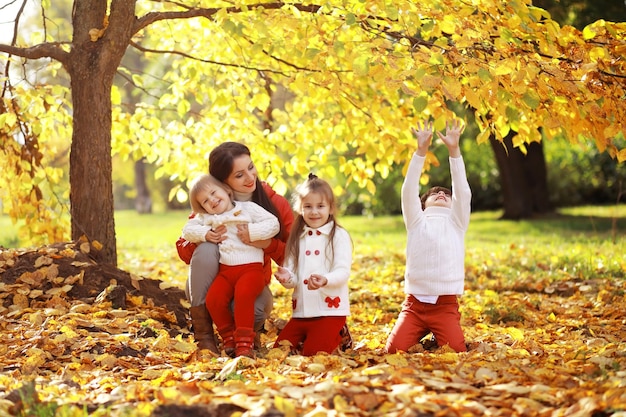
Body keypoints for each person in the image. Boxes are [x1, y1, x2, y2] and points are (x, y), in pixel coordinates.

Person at [182, 142, 294, 354]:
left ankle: (247, 337)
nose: (251, 178)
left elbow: (293, 254)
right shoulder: (212, 203)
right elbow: (185, 248)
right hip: (218, 279)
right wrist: (206, 237)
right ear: (224, 183)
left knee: (252, 305)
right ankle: (205, 336)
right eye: (239, 175)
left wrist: (267, 243)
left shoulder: (272, 203)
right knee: (206, 250)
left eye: (251, 168)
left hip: (251, 278)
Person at [385, 119, 471, 354]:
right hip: (414, 305)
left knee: (456, 352)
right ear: (423, 205)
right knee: (393, 351)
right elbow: (408, 190)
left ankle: (441, 332)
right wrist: (420, 151)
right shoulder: (416, 221)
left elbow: (462, 190)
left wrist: (454, 151)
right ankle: (420, 333)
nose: (442, 194)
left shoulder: (457, 221)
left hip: (445, 305)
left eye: (446, 194)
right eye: (435, 193)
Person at [273, 174, 353, 356]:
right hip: (302, 312)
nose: (314, 212)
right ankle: (312, 338)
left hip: (329, 311)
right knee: (279, 352)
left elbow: (343, 271)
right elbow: (292, 278)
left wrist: (325, 279)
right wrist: (286, 278)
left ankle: (339, 334)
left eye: (320, 206)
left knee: (313, 355)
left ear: (331, 208)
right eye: (308, 207)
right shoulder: (297, 238)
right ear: (299, 209)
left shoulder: (338, 235)